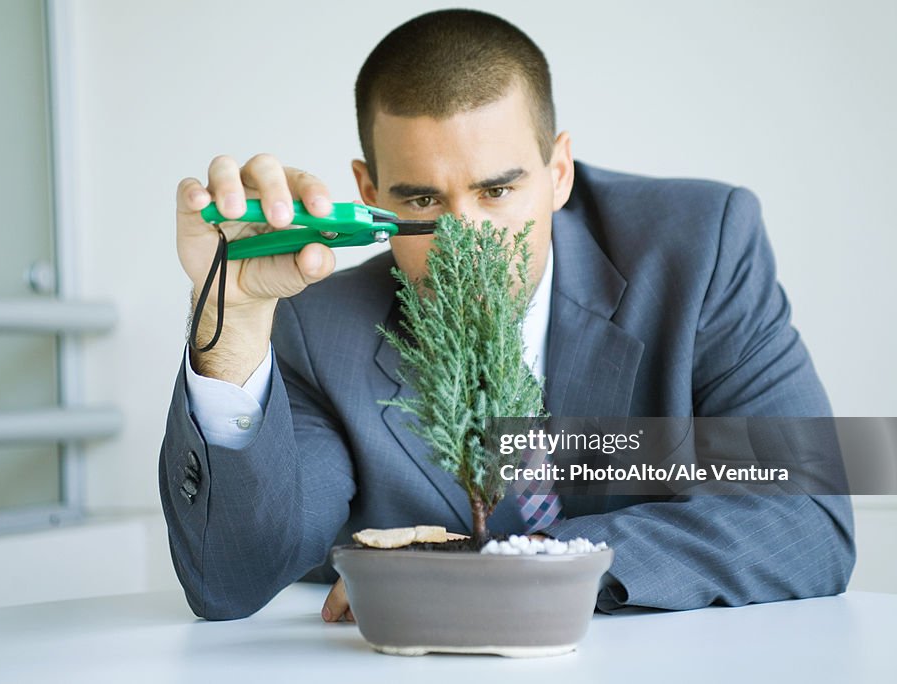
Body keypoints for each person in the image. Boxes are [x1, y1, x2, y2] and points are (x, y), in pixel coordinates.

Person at [160, 9, 854, 621]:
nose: (465, 242)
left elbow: (808, 514)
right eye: (423, 202)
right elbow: (231, 580)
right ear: (369, 192)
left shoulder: (699, 250)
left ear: (559, 171)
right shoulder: (318, 328)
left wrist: (530, 566)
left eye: (496, 190)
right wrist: (236, 326)